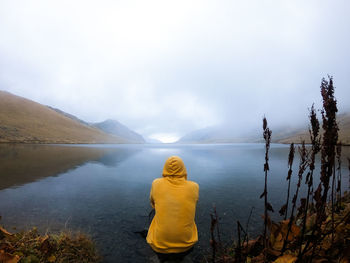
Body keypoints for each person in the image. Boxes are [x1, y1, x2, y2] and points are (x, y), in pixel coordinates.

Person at [146, 156, 199, 262]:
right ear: (183, 169)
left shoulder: (156, 183)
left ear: (165, 169)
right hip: (187, 245)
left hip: (159, 246)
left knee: (154, 212)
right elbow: (194, 203)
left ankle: (162, 257)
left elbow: (153, 204)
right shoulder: (194, 186)